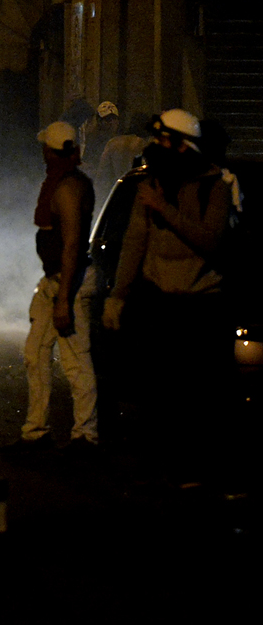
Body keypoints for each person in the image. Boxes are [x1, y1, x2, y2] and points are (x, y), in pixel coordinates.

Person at [101, 109, 232, 483]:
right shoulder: (152, 183)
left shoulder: (214, 187)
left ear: (183, 145)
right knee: (157, 396)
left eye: (164, 140)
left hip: (200, 308)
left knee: (197, 399)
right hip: (160, 305)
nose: (156, 147)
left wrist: (164, 209)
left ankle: (199, 473)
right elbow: (134, 242)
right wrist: (118, 295)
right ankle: (160, 473)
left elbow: (210, 240)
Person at [6, 121, 99, 454]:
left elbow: (72, 245)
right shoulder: (62, 182)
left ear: (50, 150)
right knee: (35, 354)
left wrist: (63, 300)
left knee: (75, 362)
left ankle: (85, 436)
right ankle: (36, 432)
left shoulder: (68, 188)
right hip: (55, 281)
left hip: (68, 283)